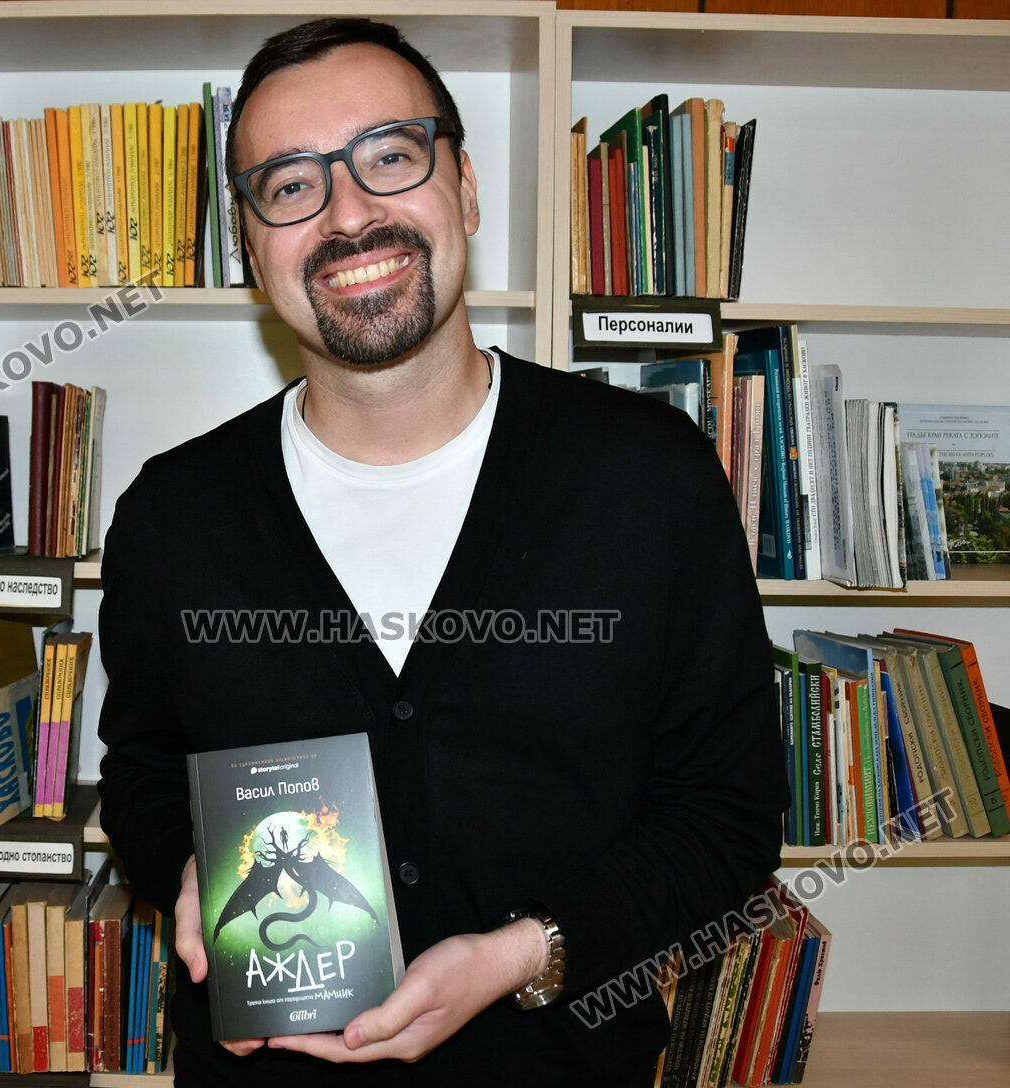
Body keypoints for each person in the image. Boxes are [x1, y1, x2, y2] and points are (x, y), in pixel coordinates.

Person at [97, 17, 789, 1086]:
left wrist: (524, 954)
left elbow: (728, 817)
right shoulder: (170, 516)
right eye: (291, 185)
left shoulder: (649, 479)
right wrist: (190, 867)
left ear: (464, 187)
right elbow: (143, 776)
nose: (347, 213)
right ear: (252, 247)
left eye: (390, 156)